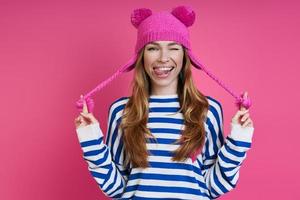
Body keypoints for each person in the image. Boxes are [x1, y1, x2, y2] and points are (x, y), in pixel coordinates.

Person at [74, 5, 254, 200]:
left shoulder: (208, 110)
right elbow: (116, 188)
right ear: (141, 56)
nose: (163, 58)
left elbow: (212, 187)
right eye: (153, 48)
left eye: (173, 48)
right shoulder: (121, 111)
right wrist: (90, 139)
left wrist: (239, 140)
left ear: (185, 56)